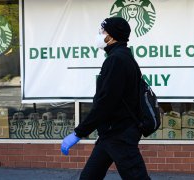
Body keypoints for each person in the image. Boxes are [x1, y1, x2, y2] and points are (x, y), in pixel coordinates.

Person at [61, 17, 151, 180]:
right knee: (89, 177)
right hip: (110, 133)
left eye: (103, 31)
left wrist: (78, 133)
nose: (100, 34)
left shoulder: (117, 60)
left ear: (111, 36)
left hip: (120, 134)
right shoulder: (121, 57)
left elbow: (106, 102)